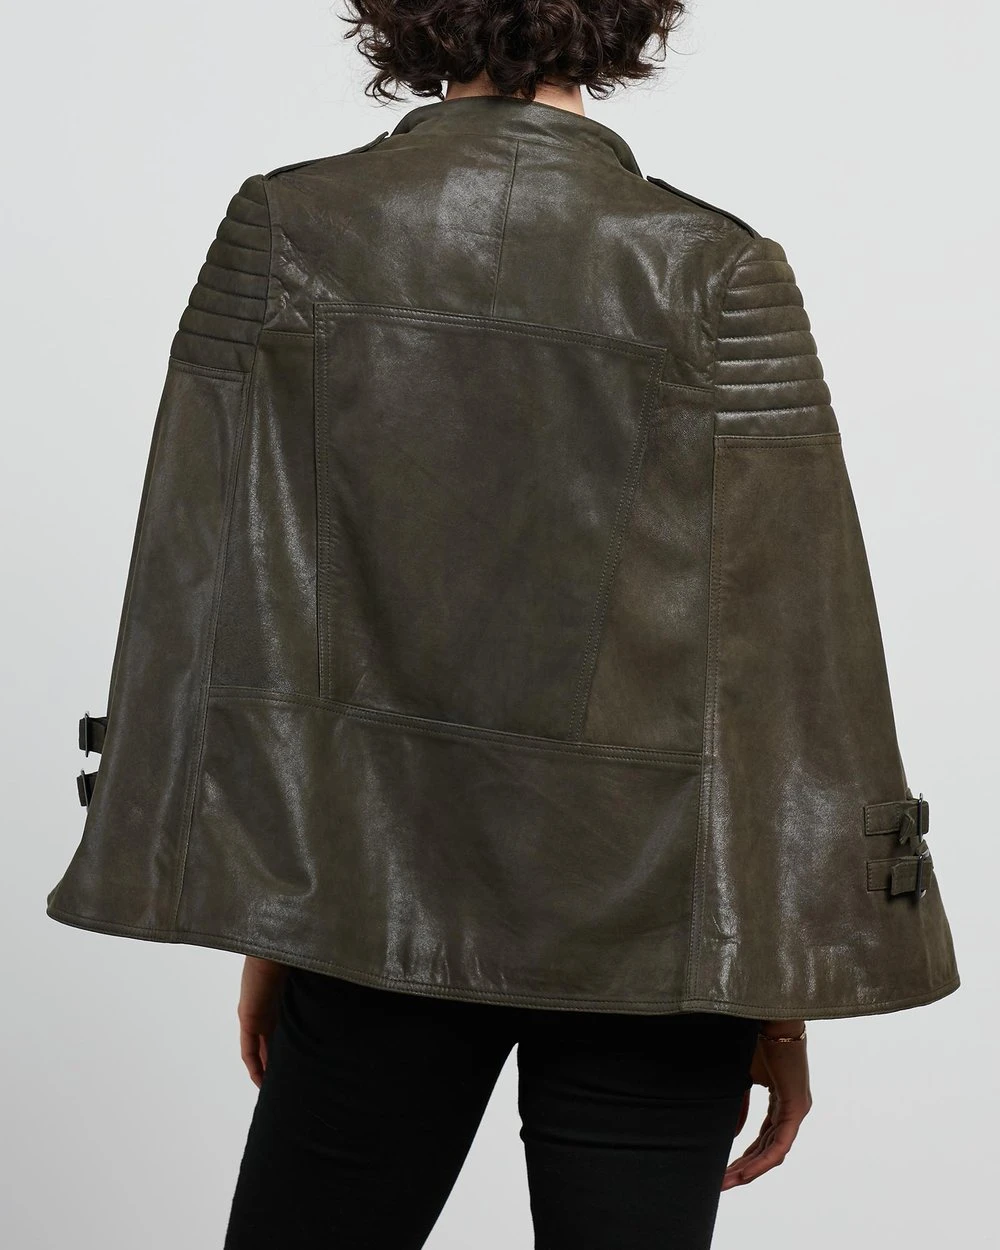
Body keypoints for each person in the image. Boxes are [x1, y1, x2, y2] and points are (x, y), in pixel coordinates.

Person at [45, 3, 958, 1247]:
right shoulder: (717, 269)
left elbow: (209, 575)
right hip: (656, 936)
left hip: (365, 901)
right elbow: (789, 659)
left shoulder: (288, 228)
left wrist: (280, 907)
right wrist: (774, 991)